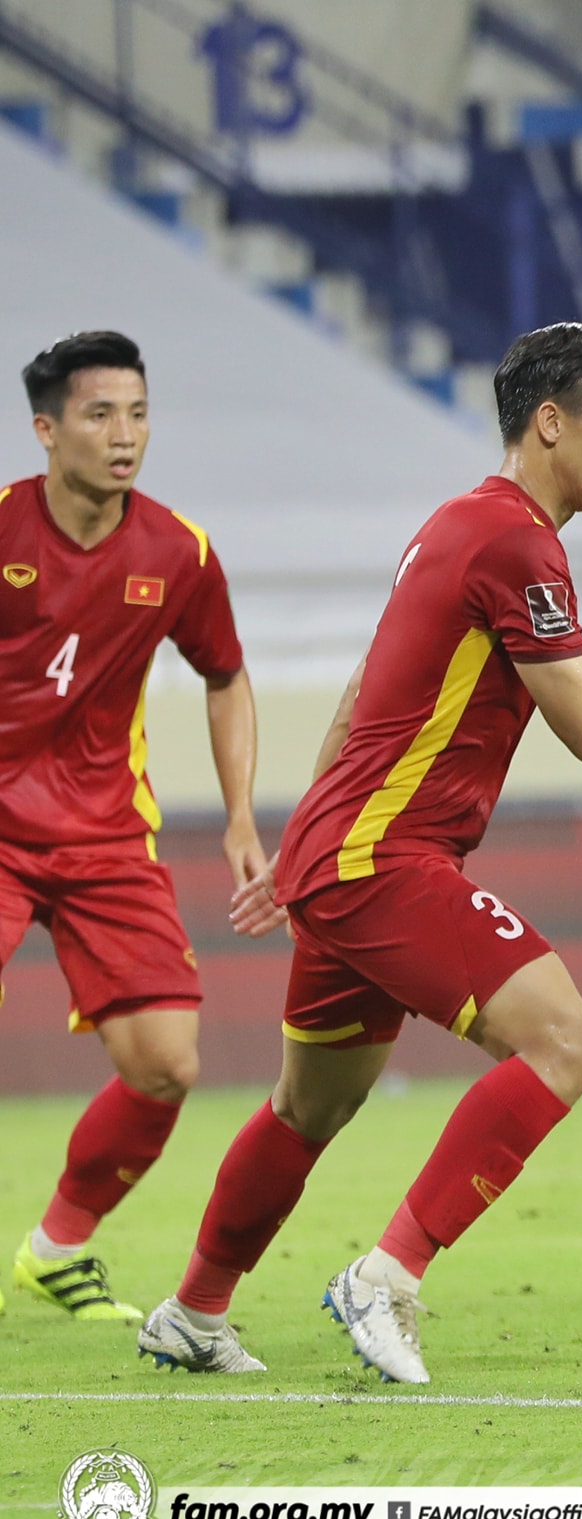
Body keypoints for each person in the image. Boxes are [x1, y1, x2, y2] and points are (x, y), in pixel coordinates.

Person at [136, 322, 582, 1379]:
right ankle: (387, 1275)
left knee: (307, 1107)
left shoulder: (453, 525)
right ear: (552, 422)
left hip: (345, 848)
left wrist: (304, 837)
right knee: (566, 1045)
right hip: (381, 857)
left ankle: (193, 1309)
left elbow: (368, 687)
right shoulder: (515, 542)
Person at [0, 331, 262, 1321]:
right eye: (101, 413)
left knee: (166, 1063)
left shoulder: (177, 552)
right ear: (46, 429)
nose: (125, 435)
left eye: (139, 413)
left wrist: (240, 814)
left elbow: (225, 675)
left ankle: (56, 1246)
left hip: (105, 833)